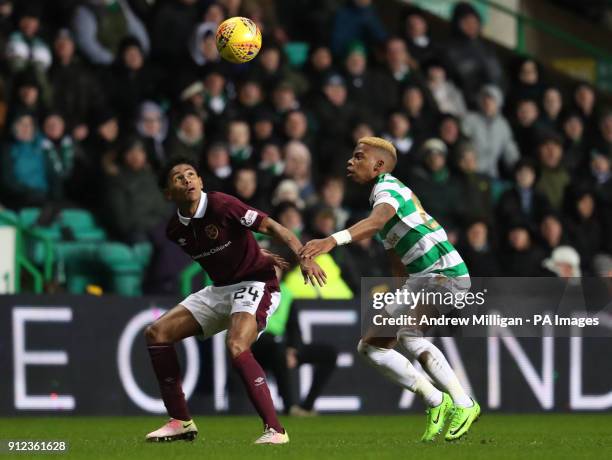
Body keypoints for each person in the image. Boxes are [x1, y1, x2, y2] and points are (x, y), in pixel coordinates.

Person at [299, 137, 480, 442]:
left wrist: (330, 241)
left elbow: (375, 222)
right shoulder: (379, 198)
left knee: (406, 336)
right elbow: (396, 257)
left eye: (358, 157)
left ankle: (464, 403)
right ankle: (436, 401)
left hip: (445, 272)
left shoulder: (388, 188)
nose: (350, 162)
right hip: (420, 278)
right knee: (371, 347)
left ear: (378, 165)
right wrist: (401, 294)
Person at [144, 156, 326, 444]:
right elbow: (219, 248)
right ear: (168, 193)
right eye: (178, 177)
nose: (187, 179)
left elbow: (274, 228)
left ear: (201, 181)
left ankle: (276, 431)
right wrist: (252, 251)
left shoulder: (222, 204)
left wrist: (303, 257)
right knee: (156, 333)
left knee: (236, 343)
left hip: (257, 283)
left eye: (192, 174)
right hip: (220, 289)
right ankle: (180, 421)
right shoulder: (174, 231)